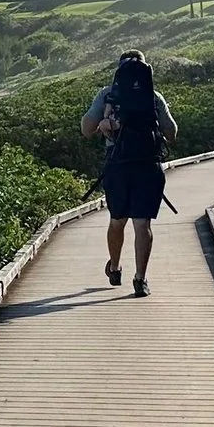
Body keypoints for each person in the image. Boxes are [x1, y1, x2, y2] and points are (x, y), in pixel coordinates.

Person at [83, 50, 177, 296]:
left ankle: (114, 268)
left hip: (118, 166)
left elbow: (86, 128)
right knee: (142, 223)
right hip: (148, 165)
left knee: (117, 220)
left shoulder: (107, 95)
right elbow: (172, 133)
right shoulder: (154, 96)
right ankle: (140, 279)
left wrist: (106, 124)